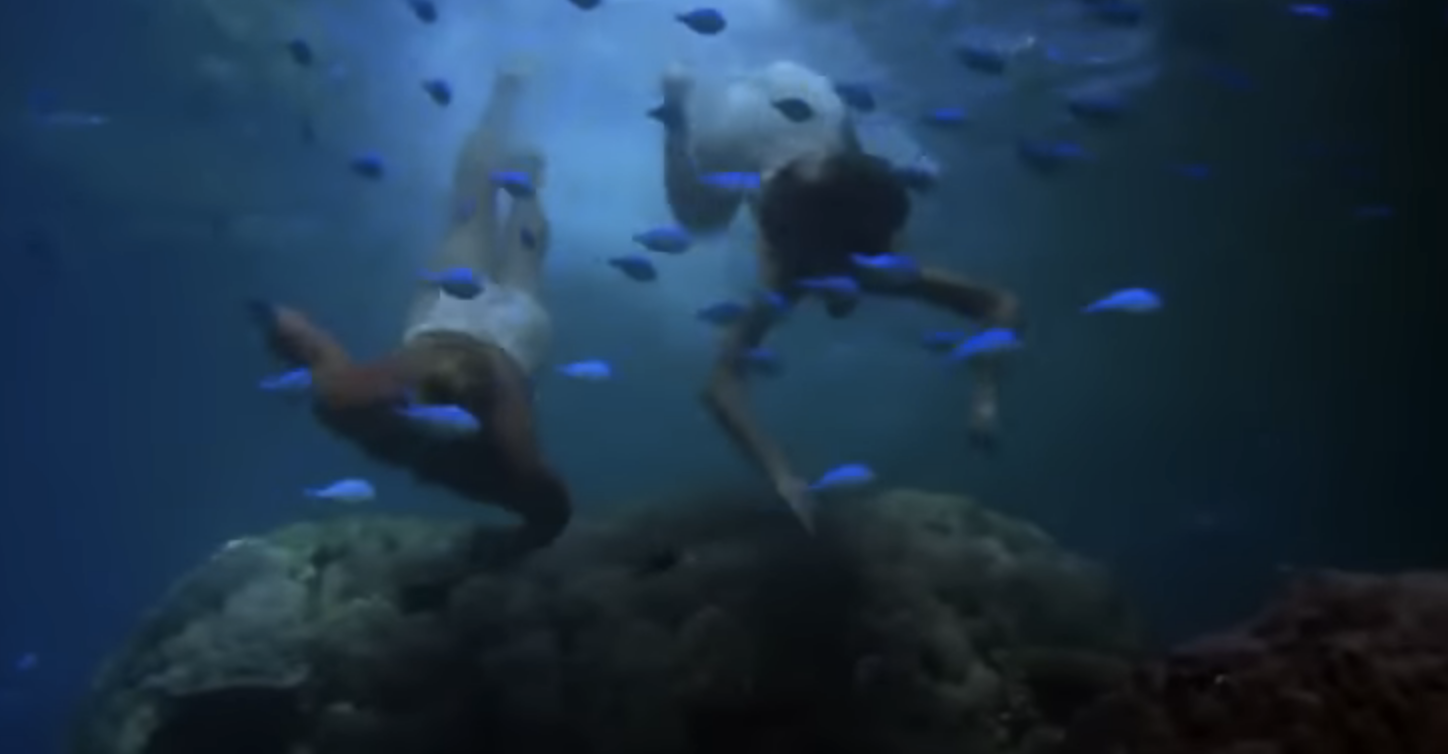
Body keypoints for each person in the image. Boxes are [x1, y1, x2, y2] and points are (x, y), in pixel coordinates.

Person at [655, 60, 1022, 530]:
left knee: (822, 175)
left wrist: (986, 399)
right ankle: (674, 105)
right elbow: (718, 385)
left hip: (814, 108)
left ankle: (694, 95)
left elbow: (1001, 304)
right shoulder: (794, 268)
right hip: (769, 124)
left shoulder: (861, 253)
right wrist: (783, 478)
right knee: (697, 218)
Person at [252, 66, 569, 557]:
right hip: (491, 331)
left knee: (493, 230)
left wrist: (271, 321)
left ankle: (506, 107)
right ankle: (523, 171)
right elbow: (551, 510)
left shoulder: (362, 403)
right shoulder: (507, 450)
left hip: (499, 332)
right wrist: (273, 320)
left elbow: (307, 343)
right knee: (505, 237)